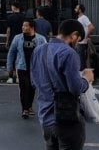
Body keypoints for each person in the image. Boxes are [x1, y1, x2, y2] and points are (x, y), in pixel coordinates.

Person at [31, 19, 94, 150]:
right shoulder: (69, 53)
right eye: (78, 39)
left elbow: (34, 81)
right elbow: (76, 88)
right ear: (74, 35)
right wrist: (87, 79)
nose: (77, 43)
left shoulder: (38, 51)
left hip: (45, 119)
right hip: (67, 120)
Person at [6, 18, 47, 119]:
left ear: (32, 27)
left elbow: (46, 53)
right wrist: (9, 65)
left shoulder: (40, 39)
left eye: (25, 26)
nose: (23, 27)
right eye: (23, 25)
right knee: (24, 87)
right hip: (22, 66)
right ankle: (25, 109)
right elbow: (11, 52)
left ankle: (29, 107)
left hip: (35, 68)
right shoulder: (18, 38)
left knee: (32, 87)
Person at [5, 2, 23, 83]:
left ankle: (10, 77)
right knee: (20, 58)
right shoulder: (24, 17)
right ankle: (19, 77)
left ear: (14, 7)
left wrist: (7, 41)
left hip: (13, 40)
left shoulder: (10, 17)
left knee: (11, 58)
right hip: (22, 40)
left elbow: (8, 30)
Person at [74, 4, 95, 70]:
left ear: (80, 10)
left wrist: (84, 37)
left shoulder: (84, 18)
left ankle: (82, 77)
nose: (75, 9)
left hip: (82, 43)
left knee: (81, 62)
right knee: (80, 61)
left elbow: (91, 27)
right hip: (80, 43)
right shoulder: (80, 18)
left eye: (76, 8)